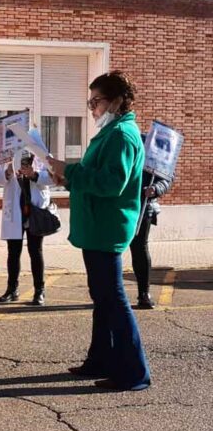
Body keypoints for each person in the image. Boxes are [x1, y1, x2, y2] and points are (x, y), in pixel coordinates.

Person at [49, 70, 151, 392]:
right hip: (97, 226)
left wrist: (72, 171)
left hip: (106, 228)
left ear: (118, 101)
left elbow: (111, 183)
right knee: (103, 298)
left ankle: (134, 372)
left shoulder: (122, 134)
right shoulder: (112, 133)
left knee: (113, 298)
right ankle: (100, 359)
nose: (92, 109)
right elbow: (95, 175)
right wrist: (68, 177)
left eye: (97, 102)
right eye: (90, 103)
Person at [0, 151, 53, 306]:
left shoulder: (41, 152)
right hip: (15, 211)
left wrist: (35, 175)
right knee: (13, 251)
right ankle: (12, 290)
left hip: (35, 210)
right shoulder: (8, 153)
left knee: (35, 250)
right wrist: (8, 171)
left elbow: (54, 177)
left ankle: (39, 291)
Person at [129, 169, 171, 309]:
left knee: (139, 248)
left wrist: (155, 188)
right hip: (117, 204)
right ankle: (108, 293)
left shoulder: (156, 148)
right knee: (110, 248)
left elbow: (167, 177)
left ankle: (144, 294)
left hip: (144, 206)